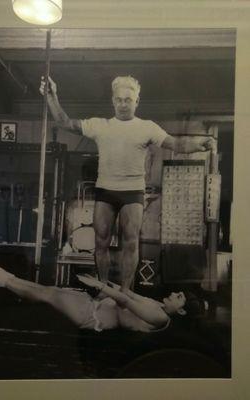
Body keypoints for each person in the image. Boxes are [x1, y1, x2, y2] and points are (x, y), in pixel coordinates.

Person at [40, 75, 215, 293]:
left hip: (132, 192)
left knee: (130, 242)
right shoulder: (99, 125)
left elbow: (176, 143)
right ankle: (104, 288)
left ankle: (125, 292)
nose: (123, 104)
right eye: (119, 99)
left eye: (128, 100)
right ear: (113, 101)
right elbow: (64, 122)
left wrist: (200, 144)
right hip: (105, 190)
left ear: (136, 102)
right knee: (101, 242)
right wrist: (51, 97)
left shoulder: (147, 127)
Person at [0, 263, 205, 333]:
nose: (174, 293)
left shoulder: (159, 318)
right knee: (48, 290)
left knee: (49, 294)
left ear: (182, 311)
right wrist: (107, 282)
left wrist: (98, 285)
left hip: (93, 316)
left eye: (179, 297)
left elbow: (126, 303)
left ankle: (5, 281)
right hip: (97, 306)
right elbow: (128, 294)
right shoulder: (158, 306)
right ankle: (8, 280)